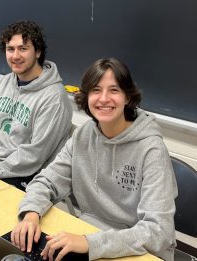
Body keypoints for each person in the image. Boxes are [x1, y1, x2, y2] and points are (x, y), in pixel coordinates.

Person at [11, 58, 177, 260]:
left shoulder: (152, 149)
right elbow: (47, 181)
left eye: (114, 90)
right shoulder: (82, 136)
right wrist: (31, 213)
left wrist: (91, 243)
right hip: (89, 232)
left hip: (139, 249)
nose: (104, 99)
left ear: (127, 97)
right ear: (87, 96)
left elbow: (158, 231)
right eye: (96, 90)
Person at [0, 21, 72, 190]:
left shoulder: (54, 99)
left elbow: (34, 155)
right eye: (10, 49)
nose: (15, 56)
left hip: (22, 173)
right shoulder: (3, 83)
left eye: (23, 48)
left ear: (38, 52)